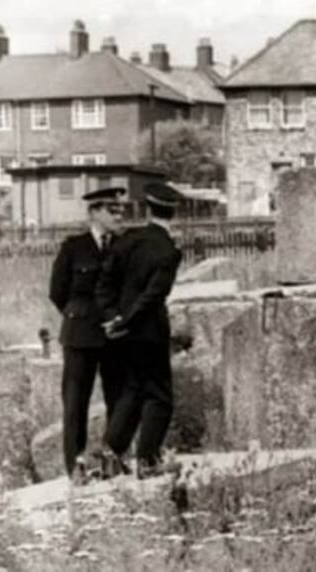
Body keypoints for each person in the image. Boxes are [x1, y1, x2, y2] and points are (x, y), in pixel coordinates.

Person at [96, 182, 184, 479]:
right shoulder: (169, 249)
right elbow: (153, 296)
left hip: (122, 333)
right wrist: (128, 321)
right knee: (159, 396)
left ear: (148, 208)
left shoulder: (127, 240)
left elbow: (105, 284)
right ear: (174, 212)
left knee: (132, 390)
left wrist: (112, 319)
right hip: (148, 331)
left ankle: (110, 454)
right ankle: (148, 461)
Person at [48, 186, 128, 484]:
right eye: (112, 210)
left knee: (118, 397)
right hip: (79, 335)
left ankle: (113, 457)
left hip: (114, 335)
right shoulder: (74, 247)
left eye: (121, 210)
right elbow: (57, 291)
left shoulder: (124, 245)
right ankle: (76, 464)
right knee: (75, 401)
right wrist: (79, 315)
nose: (118, 215)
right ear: (94, 212)